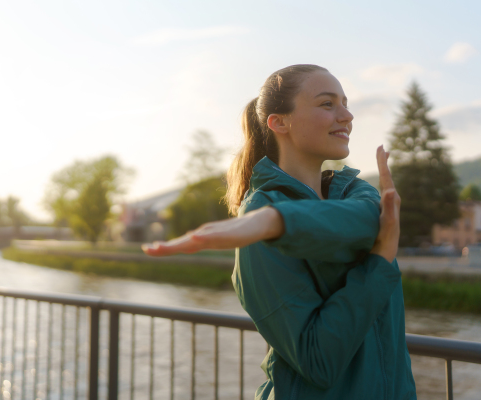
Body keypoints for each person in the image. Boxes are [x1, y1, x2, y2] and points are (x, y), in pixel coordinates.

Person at [143, 64, 416, 399]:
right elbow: (319, 361)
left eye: (344, 103)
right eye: (327, 104)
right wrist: (381, 259)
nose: (347, 115)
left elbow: (371, 217)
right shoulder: (257, 212)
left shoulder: (357, 192)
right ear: (279, 122)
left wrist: (276, 222)